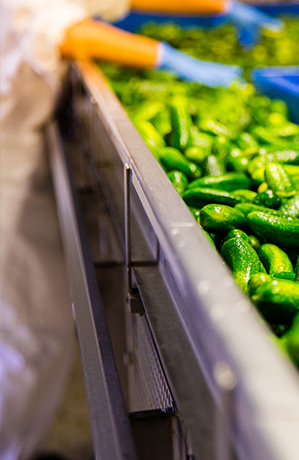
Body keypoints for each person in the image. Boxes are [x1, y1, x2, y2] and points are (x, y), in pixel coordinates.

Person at [0, 1, 279, 458]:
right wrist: (163, 57)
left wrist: (220, 7)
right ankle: (13, 445)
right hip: (5, 153)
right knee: (26, 321)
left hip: (17, 133)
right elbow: (57, 29)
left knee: (34, 317)